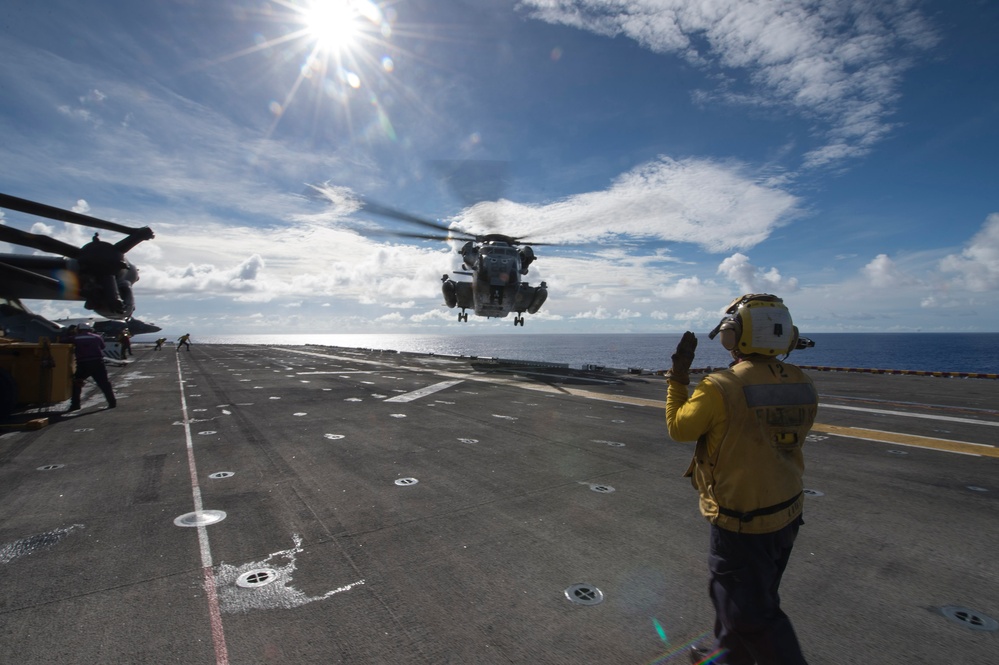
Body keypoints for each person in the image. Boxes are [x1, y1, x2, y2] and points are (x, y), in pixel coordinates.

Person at [664, 294, 817, 665]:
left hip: (743, 521)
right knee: (751, 596)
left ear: (735, 337)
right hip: (787, 512)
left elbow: (679, 428)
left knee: (751, 614)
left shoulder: (721, 387)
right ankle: (729, 656)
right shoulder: (801, 382)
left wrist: (678, 378)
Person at [67, 323, 116, 411]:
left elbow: (63, 341)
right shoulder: (97, 337)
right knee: (105, 384)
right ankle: (112, 403)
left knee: (77, 383)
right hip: (98, 363)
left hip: (83, 364)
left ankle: (75, 405)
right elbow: (102, 346)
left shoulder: (75, 338)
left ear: (78, 330)